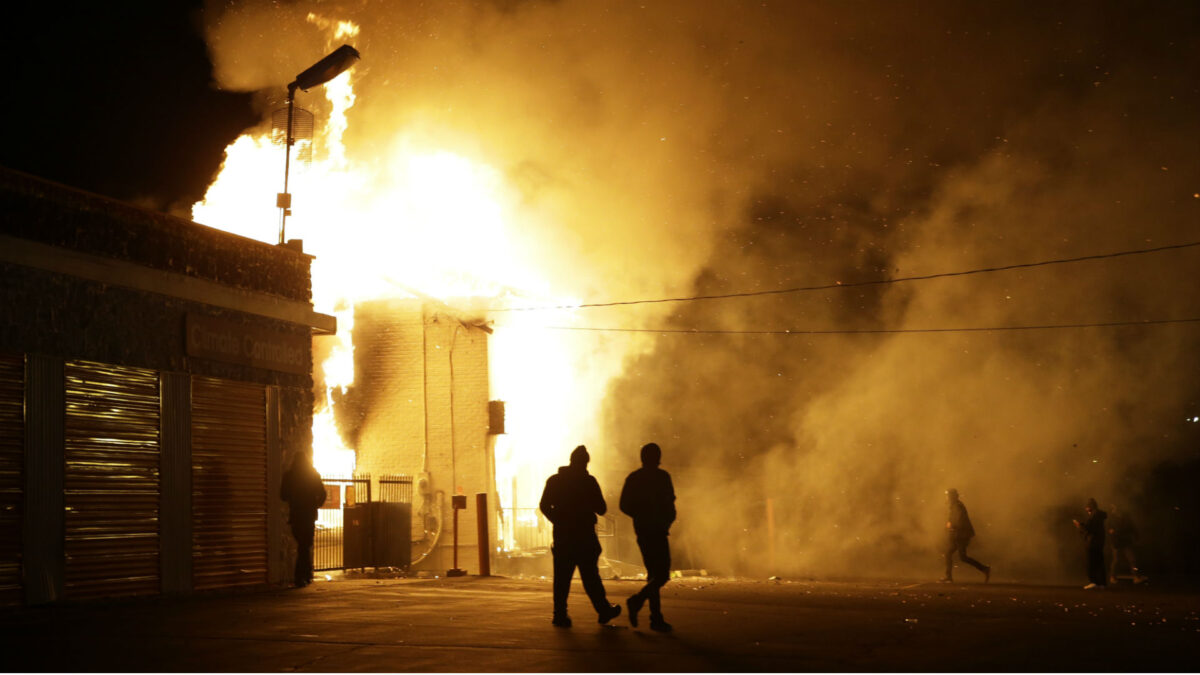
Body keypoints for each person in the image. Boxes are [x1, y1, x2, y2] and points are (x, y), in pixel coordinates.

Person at [539, 445, 622, 628]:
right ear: (585, 463)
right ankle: (603, 610)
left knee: (562, 578)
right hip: (585, 536)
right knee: (591, 577)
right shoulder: (588, 481)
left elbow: (544, 505)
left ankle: (559, 614)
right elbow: (601, 508)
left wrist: (558, 520)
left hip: (563, 537)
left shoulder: (554, 481)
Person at [619, 442, 676, 632]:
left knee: (654, 574)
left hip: (643, 530)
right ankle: (639, 602)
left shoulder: (634, 478)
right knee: (662, 574)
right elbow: (670, 504)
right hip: (658, 530)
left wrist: (639, 515)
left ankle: (655, 617)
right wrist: (666, 520)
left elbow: (624, 505)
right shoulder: (662, 477)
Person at [280, 452, 326, 587]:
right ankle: (303, 575)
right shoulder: (312, 474)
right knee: (305, 545)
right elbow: (322, 493)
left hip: (296, 515)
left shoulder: (289, 476)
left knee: (303, 545)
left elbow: (283, 495)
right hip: (309, 515)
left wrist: (293, 499)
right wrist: (316, 504)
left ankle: (302, 576)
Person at [940, 488, 990, 583]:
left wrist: (951, 525)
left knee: (963, 557)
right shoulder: (955, 505)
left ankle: (985, 569)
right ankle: (948, 577)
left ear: (952, 497)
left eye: (948, 496)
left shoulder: (958, 506)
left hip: (962, 535)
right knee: (948, 553)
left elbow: (959, 520)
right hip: (959, 534)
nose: (946, 497)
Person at [1072, 497, 1107, 590]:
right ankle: (1102, 583)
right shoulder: (1099, 516)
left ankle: (1093, 582)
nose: (1085, 509)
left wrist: (1079, 526)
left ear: (1090, 507)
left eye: (1087, 507)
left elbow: (1089, 529)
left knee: (1091, 563)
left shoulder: (1094, 516)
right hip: (1099, 543)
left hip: (1092, 543)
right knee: (1099, 563)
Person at [1107, 504, 1146, 584]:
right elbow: (1109, 530)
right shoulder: (1111, 519)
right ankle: (1112, 576)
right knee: (1116, 560)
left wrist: (1136, 537)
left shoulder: (1126, 517)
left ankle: (1136, 576)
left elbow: (1132, 527)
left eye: (1116, 508)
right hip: (1116, 542)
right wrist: (1113, 534)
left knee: (1132, 559)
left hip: (1126, 542)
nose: (1115, 510)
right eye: (1114, 509)